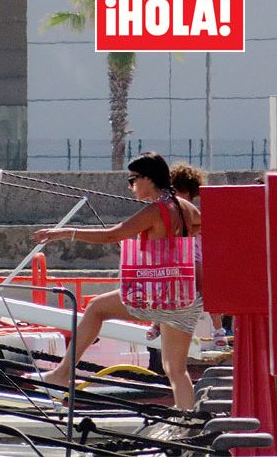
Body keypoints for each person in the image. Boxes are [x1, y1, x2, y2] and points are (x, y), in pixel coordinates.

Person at [32, 152, 203, 409]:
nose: (131, 186)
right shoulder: (188, 208)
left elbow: (113, 236)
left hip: (158, 294)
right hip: (185, 295)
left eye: (133, 180)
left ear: (148, 178)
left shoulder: (155, 211)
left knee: (96, 309)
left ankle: (61, 374)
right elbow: (199, 237)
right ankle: (186, 422)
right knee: (176, 370)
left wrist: (64, 233)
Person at [145, 163, 227, 351]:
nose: (179, 197)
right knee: (164, 283)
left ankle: (218, 329)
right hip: (173, 256)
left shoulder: (193, 211)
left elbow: (205, 226)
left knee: (204, 285)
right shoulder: (166, 210)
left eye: (182, 192)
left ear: (191, 193)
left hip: (194, 254)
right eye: (175, 192)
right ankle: (156, 323)